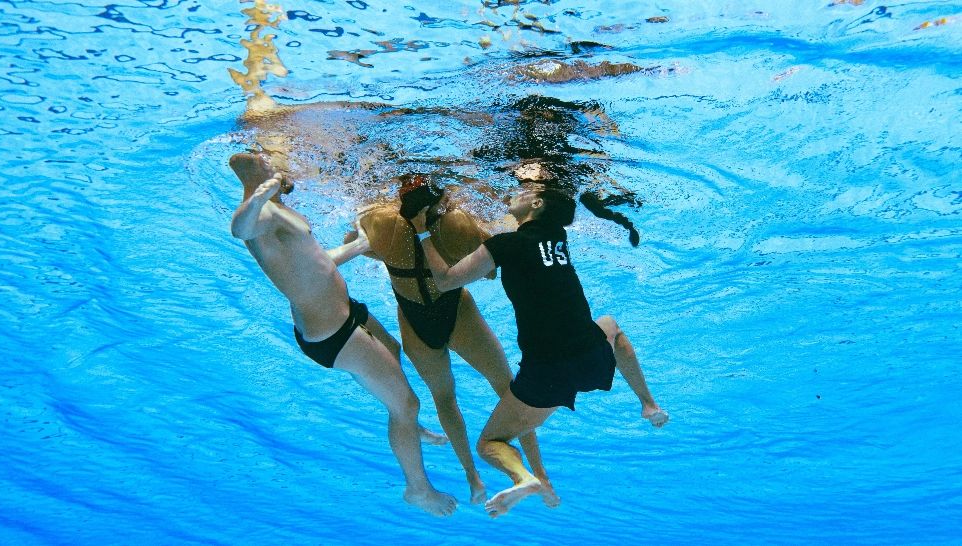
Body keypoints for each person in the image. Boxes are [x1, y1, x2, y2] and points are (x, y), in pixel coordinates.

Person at [410, 161, 669, 518]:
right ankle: (649, 405)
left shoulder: (506, 245)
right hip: (590, 359)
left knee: (489, 444)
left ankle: (523, 478)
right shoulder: (558, 240)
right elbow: (534, 237)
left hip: (546, 375)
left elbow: (445, 280)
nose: (515, 192)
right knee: (609, 324)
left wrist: (423, 232)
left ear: (537, 204)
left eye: (524, 192)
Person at [228, 152, 457, 517]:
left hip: (344, 313)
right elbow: (239, 229)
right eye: (265, 162)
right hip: (334, 333)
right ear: (254, 173)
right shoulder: (261, 214)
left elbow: (315, 261)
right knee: (406, 404)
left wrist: (360, 245)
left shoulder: (275, 208)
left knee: (393, 349)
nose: (273, 163)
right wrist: (257, 195)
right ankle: (418, 489)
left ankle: (410, 427)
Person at [350, 173, 557, 506]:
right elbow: (489, 270)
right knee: (507, 386)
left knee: (444, 399)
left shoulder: (381, 221)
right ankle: (538, 472)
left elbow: (357, 244)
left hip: (414, 321)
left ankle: (472, 477)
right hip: (457, 311)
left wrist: (391, 253)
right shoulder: (456, 223)